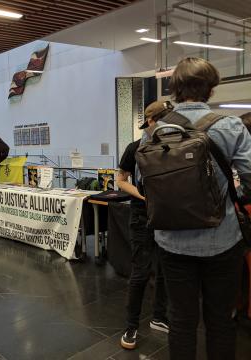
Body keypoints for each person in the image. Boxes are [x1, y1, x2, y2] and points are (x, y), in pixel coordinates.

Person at [140, 58, 251, 360]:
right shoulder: (230, 126)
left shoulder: (153, 131)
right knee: (219, 320)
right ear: (211, 89)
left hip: (172, 241)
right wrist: (232, 191)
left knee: (181, 320)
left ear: (174, 88)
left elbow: (143, 182)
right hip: (223, 239)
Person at [118, 101, 172, 350]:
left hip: (169, 215)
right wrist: (141, 196)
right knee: (140, 272)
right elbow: (121, 180)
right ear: (151, 121)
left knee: (165, 269)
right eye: (163, 118)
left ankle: (159, 316)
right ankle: (131, 326)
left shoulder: (172, 146)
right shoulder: (134, 148)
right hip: (142, 215)